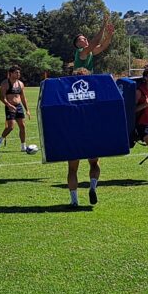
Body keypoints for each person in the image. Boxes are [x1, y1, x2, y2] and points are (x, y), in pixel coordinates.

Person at [67, 67, 100, 206]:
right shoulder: (95, 93)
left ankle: (74, 201)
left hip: (74, 134)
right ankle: (92, 187)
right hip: (91, 134)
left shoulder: (67, 94)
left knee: (72, 169)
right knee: (94, 164)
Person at [0, 65, 32, 152]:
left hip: (19, 107)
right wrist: (9, 105)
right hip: (9, 107)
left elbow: (23, 98)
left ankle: (23, 146)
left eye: (19, 72)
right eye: (16, 72)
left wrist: (27, 110)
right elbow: (1, 97)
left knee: (22, 126)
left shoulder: (20, 84)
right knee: (10, 127)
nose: (18, 74)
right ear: (11, 73)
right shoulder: (5, 83)